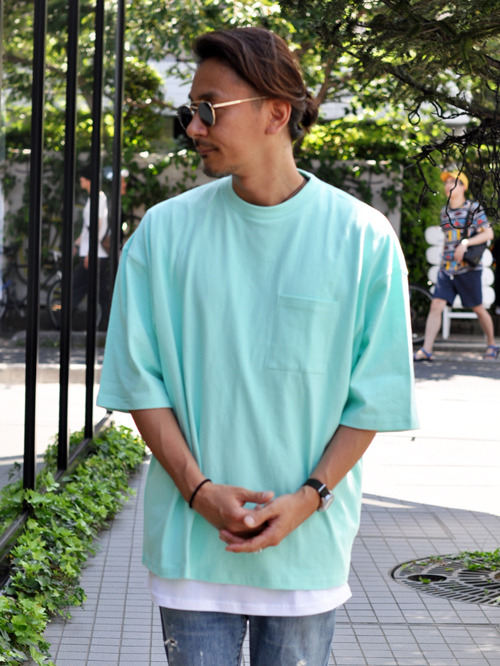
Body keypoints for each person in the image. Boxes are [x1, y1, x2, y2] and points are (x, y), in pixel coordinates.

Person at [97, 27, 417, 665]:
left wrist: (308, 499)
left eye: (210, 109)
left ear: (276, 112)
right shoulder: (162, 233)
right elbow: (138, 382)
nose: (193, 127)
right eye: (190, 110)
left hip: (307, 549)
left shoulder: (362, 237)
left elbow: (375, 397)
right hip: (193, 548)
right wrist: (199, 492)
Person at [414, 169, 498, 361]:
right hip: (447, 269)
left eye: (452, 182)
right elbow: (448, 240)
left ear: (463, 187)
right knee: (436, 305)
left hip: (468, 269)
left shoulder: (473, 208)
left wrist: (465, 243)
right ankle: (426, 350)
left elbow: (488, 234)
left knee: (478, 308)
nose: (447, 186)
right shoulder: (444, 212)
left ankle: (491, 345)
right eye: (446, 182)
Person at [73, 165, 110, 329]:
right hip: (92, 252)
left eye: (82, 177)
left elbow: (97, 225)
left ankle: (63, 323)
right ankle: (104, 325)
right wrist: (77, 244)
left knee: (79, 287)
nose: (80, 180)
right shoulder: (93, 198)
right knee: (98, 290)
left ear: (88, 180)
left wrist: (90, 251)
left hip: (95, 253)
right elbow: (87, 228)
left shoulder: (98, 198)